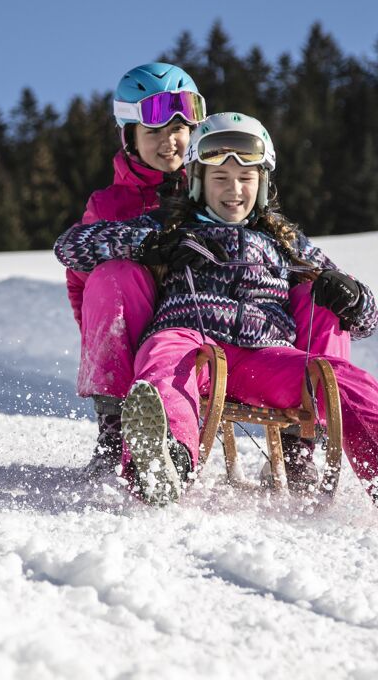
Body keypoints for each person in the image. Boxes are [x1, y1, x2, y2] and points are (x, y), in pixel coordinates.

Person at [55, 112, 378, 535]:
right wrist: (154, 242)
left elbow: (365, 321)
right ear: (196, 183)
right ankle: (164, 463)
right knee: (163, 361)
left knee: (344, 379)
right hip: (193, 338)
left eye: (245, 180)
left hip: (267, 354)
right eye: (220, 180)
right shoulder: (172, 225)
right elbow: (71, 247)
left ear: (262, 186)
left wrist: (355, 298)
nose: (233, 191)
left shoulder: (282, 240)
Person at [66, 65, 350, 479]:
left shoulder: (218, 180)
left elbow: (280, 248)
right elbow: (79, 274)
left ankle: (303, 441)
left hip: (236, 327)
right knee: (114, 276)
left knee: (319, 293)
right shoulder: (112, 205)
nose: (170, 142)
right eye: (154, 132)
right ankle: (120, 435)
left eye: (180, 129)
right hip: (153, 332)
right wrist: (110, 340)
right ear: (129, 138)